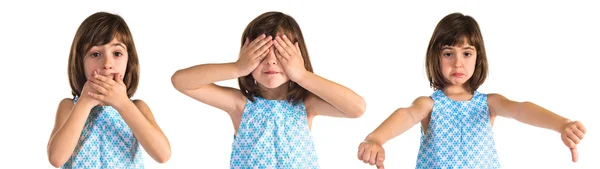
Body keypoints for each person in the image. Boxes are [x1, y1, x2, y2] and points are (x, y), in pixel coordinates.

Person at [357, 12, 587, 169]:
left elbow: (520, 109)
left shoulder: (489, 103)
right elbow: (406, 114)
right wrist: (376, 138)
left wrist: (562, 124)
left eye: (466, 53)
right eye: (448, 53)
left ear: (478, 58)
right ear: (435, 57)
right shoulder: (429, 105)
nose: (458, 63)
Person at [171, 11, 366, 168]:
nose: (271, 60)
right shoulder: (240, 105)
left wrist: (302, 75)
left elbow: (357, 108)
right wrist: (237, 67)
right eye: (261, 52)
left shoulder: (306, 105)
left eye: (281, 53)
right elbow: (180, 81)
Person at [46, 11, 171, 169]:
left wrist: (123, 104)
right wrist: (84, 102)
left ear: (129, 60)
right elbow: (56, 159)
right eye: (96, 54)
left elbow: (162, 154)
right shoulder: (69, 107)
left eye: (117, 53)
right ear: (80, 62)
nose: (107, 63)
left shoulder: (138, 107)